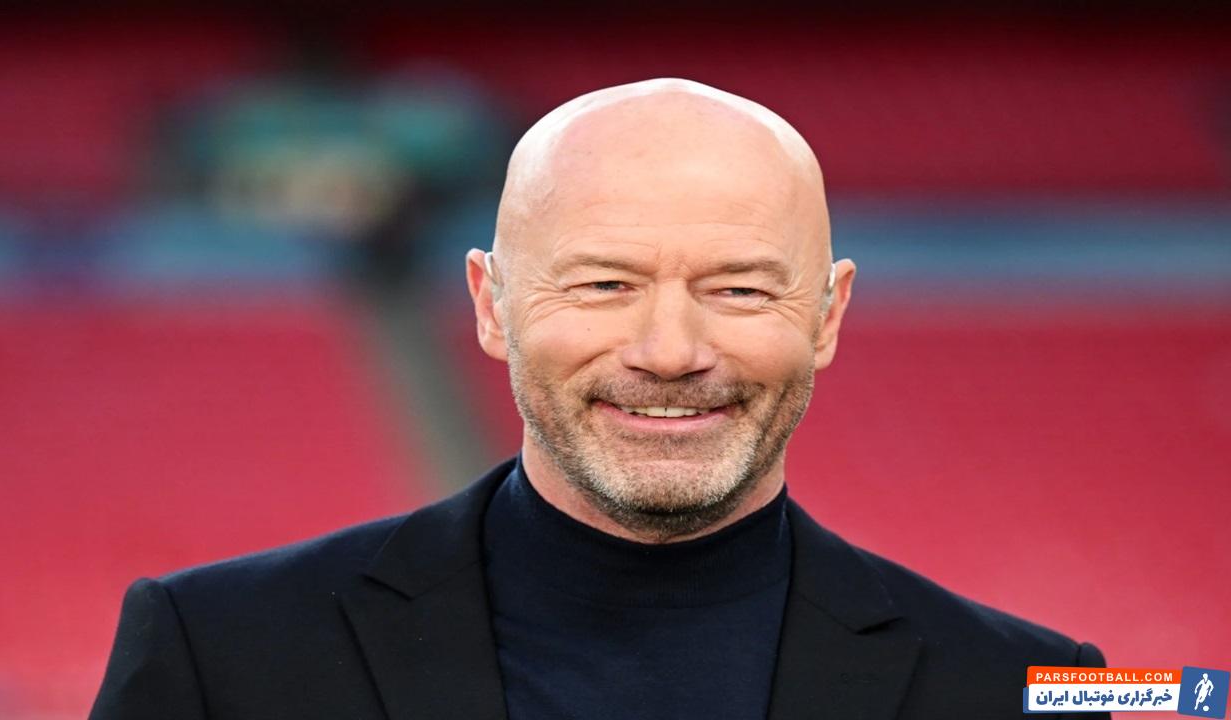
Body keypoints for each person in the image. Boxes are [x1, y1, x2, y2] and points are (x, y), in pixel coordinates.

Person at [90, 78, 1108, 720]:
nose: (670, 352)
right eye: (604, 284)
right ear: (490, 305)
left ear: (828, 315)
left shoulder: (1029, 690)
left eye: (739, 290)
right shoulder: (217, 652)